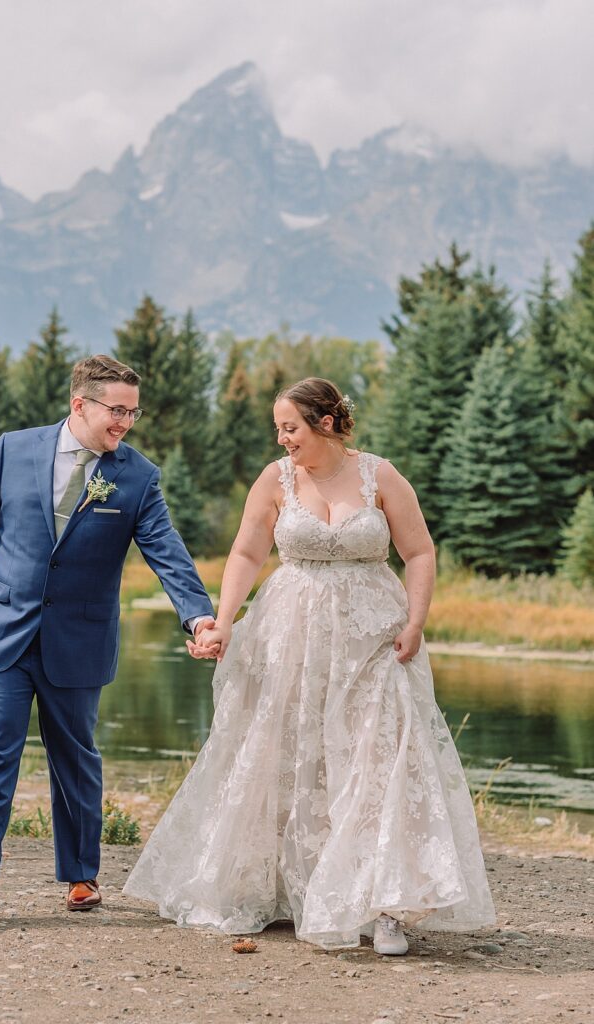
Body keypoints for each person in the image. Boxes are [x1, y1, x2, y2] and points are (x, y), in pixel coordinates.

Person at [123, 377, 495, 955]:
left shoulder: (381, 476)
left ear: (325, 422)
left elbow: (419, 552)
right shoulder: (275, 479)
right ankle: (290, 891)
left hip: (374, 638)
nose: (281, 437)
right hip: (289, 637)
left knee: (378, 758)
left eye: (290, 426)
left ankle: (385, 905)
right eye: (278, 428)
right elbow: (247, 552)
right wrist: (222, 620)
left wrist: (416, 622)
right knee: (289, 754)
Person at [0, 354, 215, 921]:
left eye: (134, 412)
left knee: (75, 758)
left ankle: (82, 876)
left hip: (79, 638)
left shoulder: (137, 475)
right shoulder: (15, 448)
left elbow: (167, 551)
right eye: (117, 410)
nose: (126, 422)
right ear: (80, 404)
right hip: (0, 624)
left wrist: (196, 615)